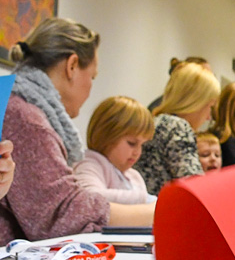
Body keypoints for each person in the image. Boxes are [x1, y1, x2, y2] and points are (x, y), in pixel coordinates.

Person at [1, 17, 154, 243]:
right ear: (72, 66)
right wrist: (156, 211)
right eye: (92, 76)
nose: (91, 88)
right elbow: (62, 215)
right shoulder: (25, 119)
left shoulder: (12, 103)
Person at [135, 61, 220, 195]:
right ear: (195, 102)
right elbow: (195, 186)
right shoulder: (177, 127)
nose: (209, 117)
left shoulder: (156, 122)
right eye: (209, 106)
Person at [73, 96, 156, 204]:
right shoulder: (89, 164)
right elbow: (89, 198)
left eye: (142, 145)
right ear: (106, 136)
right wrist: (145, 200)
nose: (137, 152)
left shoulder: (134, 176)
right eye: (132, 143)